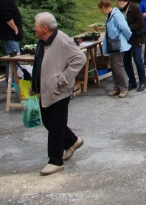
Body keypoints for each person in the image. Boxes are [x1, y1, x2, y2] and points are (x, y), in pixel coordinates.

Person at [31, 12, 86, 176]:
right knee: (49, 121)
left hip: (58, 91)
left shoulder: (61, 40)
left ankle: (55, 161)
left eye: (36, 26)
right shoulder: (43, 41)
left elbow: (80, 58)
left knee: (55, 125)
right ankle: (72, 141)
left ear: (45, 28)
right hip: (45, 89)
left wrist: (62, 79)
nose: (34, 29)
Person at [113, 0, 146, 92]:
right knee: (126, 61)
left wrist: (127, 28)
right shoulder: (118, 11)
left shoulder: (134, 8)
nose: (116, 3)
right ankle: (132, 82)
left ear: (122, 0)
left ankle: (142, 82)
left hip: (136, 39)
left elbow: (140, 23)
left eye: (117, 1)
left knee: (138, 60)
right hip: (125, 41)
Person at [98, 0, 132, 97]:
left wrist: (126, 39)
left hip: (118, 45)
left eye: (101, 9)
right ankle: (116, 87)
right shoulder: (110, 16)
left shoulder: (116, 15)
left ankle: (123, 88)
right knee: (113, 66)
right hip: (112, 45)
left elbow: (125, 29)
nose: (101, 12)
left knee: (118, 67)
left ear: (103, 7)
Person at [0, 0, 23, 83]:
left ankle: (11, 82)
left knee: (12, 60)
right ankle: (12, 83)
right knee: (14, 60)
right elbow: (7, 17)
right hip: (9, 36)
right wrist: (15, 28)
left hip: (12, 36)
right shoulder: (5, 0)